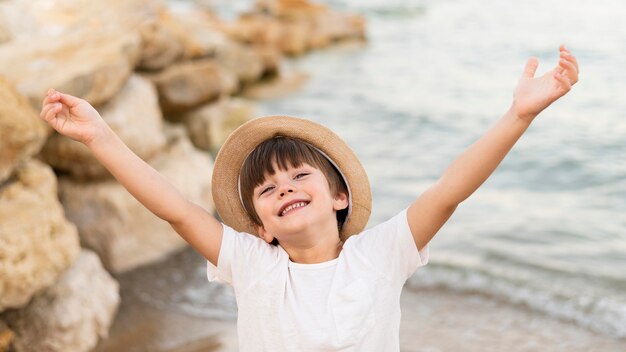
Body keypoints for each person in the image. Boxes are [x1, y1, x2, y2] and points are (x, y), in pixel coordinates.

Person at [40, 45, 579, 351]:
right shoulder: (254, 264)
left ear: (340, 196)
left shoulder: (381, 254)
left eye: (299, 177)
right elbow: (174, 209)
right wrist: (99, 138)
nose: (286, 190)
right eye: (268, 190)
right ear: (262, 228)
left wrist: (519, 115)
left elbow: (449, 191)